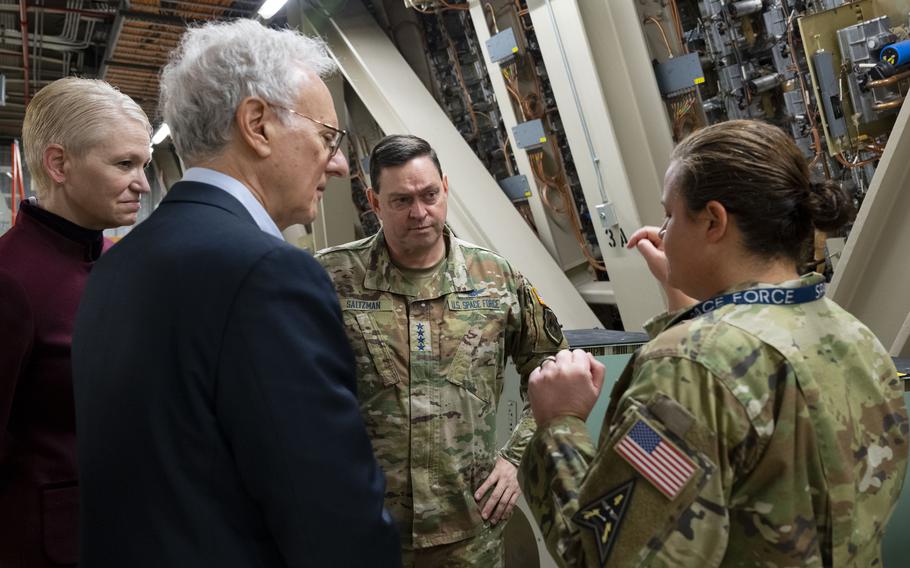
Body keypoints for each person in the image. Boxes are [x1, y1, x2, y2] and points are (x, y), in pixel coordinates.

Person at [71, 20, 400, 568]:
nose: (339, 164)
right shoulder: (268, 274)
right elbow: (333, 522)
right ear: (258, 125)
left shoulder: (116, 266)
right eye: (327, 138)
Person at [520, 120, 908, 567]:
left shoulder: (686, 369)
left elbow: (603, 557)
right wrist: (686, 297)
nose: (663, 231)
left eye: (670, 214)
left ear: (713, 220)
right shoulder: (856, 339)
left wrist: (559, 424)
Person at [316, 134, 568, 567]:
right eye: (401, 201)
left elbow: (557, 369)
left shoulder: (496, 280)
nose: (420, 212)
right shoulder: (332, 277)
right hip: (364, 530)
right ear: (374, 203)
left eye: (430, 195)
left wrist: (516, 460)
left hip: (469, 532)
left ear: (446, 188)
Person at [0, 77, 151, 568]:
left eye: (145, 165)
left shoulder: (117, 262)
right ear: (59, 164)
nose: (143, 184)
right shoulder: (11, 279)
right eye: (124, 164)